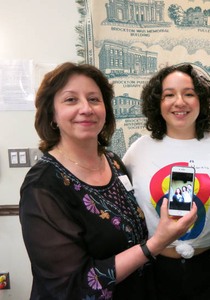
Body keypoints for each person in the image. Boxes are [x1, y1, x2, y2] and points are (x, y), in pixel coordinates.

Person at [19, 62, 197, 300]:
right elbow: (72, 286)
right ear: (52, 115)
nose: (86, 108)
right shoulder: (42, 186)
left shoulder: (113, 162)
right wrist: (155, 244)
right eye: (71, 100)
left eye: (94, 99)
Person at [123, 64, 210, 299]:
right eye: (169, 95)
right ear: (157, 103)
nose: (179, 102)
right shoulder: (138, 150)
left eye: (189, 93)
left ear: (201, 101)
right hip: (153, 268)